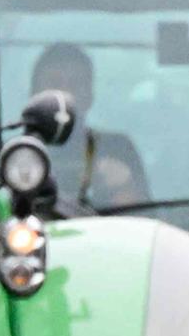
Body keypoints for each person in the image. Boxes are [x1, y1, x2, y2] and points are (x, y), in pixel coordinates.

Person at [27, 42, 149, 211]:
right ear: (34, 93)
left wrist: (123, 185)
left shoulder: (117, 148)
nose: (65, 93)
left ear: (90, 95)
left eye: (75, 84)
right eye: (54, 83)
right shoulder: (17, 154)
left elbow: (143, 221)